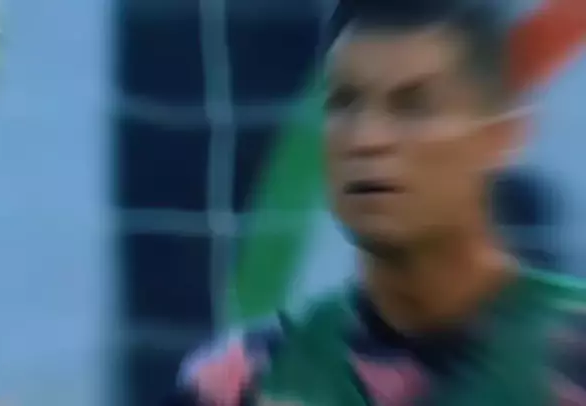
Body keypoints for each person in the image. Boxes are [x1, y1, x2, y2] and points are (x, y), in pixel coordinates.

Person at [164, 0, 586, 404]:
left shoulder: (572, 359)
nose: (366, 138)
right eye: (344, 103)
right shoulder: (241, 382)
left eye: (413, 107)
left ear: (501, 137)